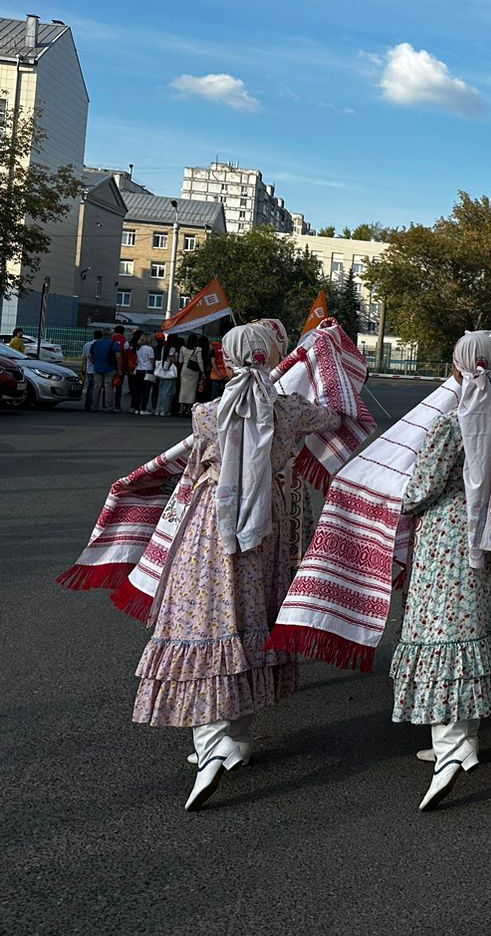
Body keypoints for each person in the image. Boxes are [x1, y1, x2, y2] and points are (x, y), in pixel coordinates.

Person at [128, 324, 346, 809]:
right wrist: (317, 360)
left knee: (209, 621)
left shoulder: (206, 413)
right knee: (253, 619)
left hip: (214, 525)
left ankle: (212, 749)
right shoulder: (289, 409)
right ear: (271, 358)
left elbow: (198, 463)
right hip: (269, 525)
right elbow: (334, 418)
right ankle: (239, 741)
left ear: (226, 360)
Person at [394, 331, 491, 810]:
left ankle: (449, 751)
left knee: (446, 632)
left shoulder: (451, 421)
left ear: (456, 367)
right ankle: (467, 743)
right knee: (479, 627)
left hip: (450, 538)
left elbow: (419, 490)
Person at [87, 329, 119, 412]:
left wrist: (95, 363)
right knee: (108, 387)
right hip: (110, 367)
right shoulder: (114, 343)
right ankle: (109, 407)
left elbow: (90, 355)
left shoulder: (96, 343)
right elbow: (118, 356)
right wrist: (119, 367)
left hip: (97, 367)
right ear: (111, 334)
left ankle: (94, 406)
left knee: (97, 387)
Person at [178, 334, 205, 414]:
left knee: (183, 389)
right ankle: (188, 409)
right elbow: (200, 361)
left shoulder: (182, 348)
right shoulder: (198, 349)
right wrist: (202, 371)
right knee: (192, 390)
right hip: (193, 371)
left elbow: (180, 361)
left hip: (184, 369)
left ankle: (181, 408)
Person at [131, 334, 156, 415]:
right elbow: (151, 360)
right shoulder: (149, 349)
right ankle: (143, 409)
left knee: (138, 391)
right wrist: (153, 370)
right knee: (146, 391)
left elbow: (137, 360)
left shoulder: (138, 348)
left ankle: (136, 408)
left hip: (139, 370)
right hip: (147, 370)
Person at [154, 340, 181, 416]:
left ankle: (158, 409)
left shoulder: (164, 347)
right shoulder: (172, 349)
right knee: (168, 392)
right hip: (169, 371)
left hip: (162, 370)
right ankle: (164, 410)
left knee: (161, 391)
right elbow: (172, 359)